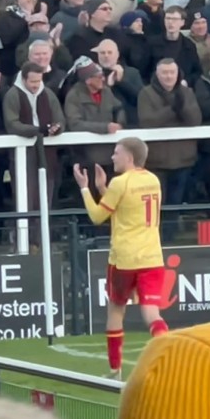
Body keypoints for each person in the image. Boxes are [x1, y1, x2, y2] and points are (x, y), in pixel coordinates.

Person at [72, 137, 170, 380]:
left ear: (129, 157)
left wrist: (85, 188)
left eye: (116, 153)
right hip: (152, 256)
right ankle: (170, 356)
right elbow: (127, 209)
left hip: (124, 258)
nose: (112, 157)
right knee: (152, 314)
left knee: (116, 312)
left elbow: (97, 217)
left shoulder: (121, 182)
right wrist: (104, 189)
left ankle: (115, 371)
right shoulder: (153, 180)